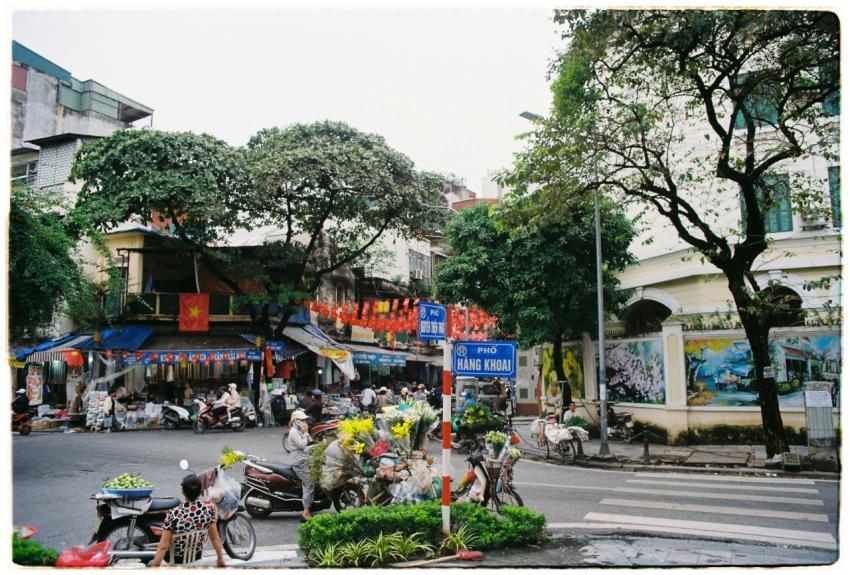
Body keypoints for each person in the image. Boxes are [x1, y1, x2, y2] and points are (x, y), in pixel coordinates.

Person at [151, 474, 226, 567]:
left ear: (183, 491)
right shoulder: (208, 511)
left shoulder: (173, 514)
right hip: (196, 562)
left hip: (174, 564)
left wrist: (154, 566)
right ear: (200, 491)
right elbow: (215, 539)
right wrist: (220, 559)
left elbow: (163, 547)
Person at [285, 410, 316, 521]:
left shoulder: (300, 431)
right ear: (296, 421)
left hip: (306, 460)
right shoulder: (293, 432)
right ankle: (306, 512)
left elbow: (310, 442)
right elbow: (302, 445)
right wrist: (306, 432)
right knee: (309, 483)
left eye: (305, 420)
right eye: (302, 420)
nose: (304, 422)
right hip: (299, 463)